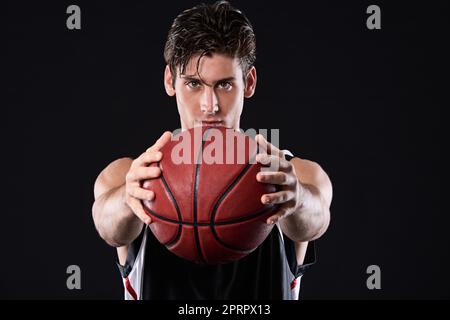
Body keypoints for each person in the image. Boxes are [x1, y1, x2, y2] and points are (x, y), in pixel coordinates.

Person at [92, 0, 332, 300]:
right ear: (170, 81)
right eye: (194, 84)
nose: (210, 106)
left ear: (249, 82)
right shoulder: (133, 177)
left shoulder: (288, 176)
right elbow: (107, 225)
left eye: (225, 85)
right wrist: (128, 199)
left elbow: (316, 219)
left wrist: (298, 198)